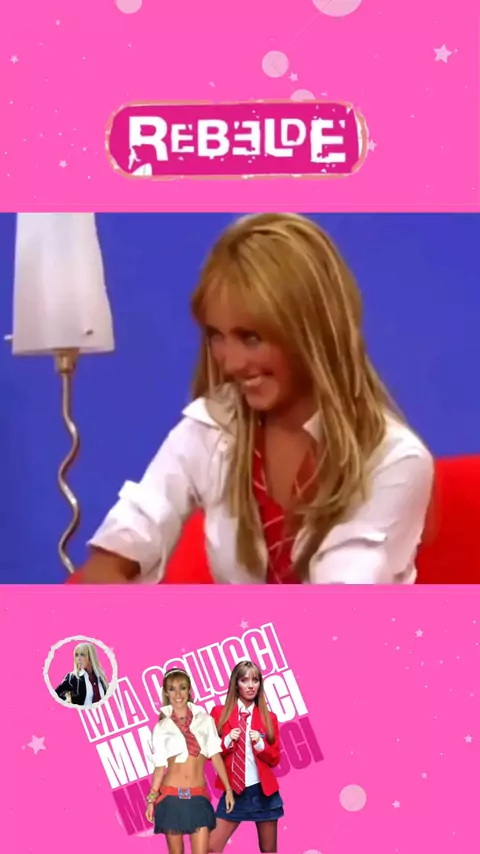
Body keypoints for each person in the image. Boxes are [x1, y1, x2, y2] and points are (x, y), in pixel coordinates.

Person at [79, 213, 434, 585]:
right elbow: (128, 536)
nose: (231, 363)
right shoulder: (213, 427)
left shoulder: (394, 460)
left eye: (251, 338)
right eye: (217, 336)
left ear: (312, 332)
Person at [145, 668, 234, 854]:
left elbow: (216, 756)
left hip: (197, 796)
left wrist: (228, 789)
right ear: (166, 692)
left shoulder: (205, 720)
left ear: (190, 690)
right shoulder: (161, 727)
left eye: (183, 688)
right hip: (170, 797)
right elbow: (159, 768)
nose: (178, 694)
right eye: (172, 689)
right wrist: (151, 800)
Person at [209, 660, 283, 853]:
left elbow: (275, 758)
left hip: (263, 793)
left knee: (269, 850)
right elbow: (210, 753)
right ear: (236, 684)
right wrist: (227, 740)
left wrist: (260, 744)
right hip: (234, 792)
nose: (251, 686)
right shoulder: (219, 713)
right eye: (244, 680)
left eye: (255, 680)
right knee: (210, 848)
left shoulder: (269, 717)